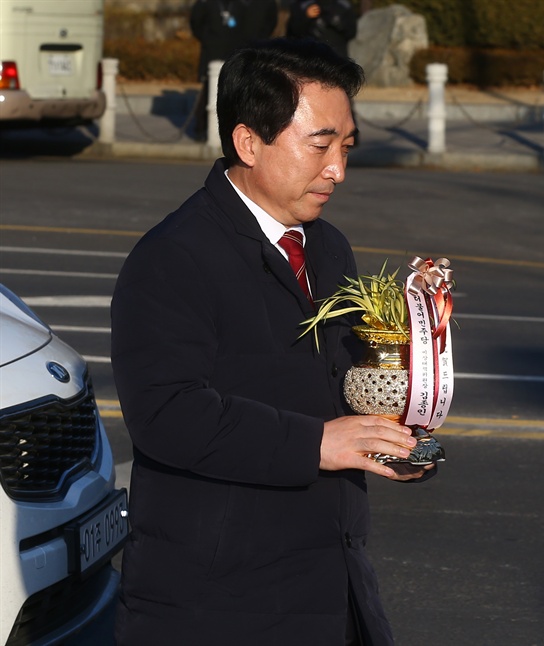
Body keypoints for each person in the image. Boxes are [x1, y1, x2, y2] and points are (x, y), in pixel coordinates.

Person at [111, 38, 434, 645]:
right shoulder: (172, 258)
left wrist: (398, 411)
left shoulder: (327, 246)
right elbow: (167, 414)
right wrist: (317, 442)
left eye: (345, 146)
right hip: (217, 607)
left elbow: (336, 379)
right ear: (248, 141)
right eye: (320, 145)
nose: (337, 168)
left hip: (331, 585)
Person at [190, 0, 278, 140]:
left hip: (234, 50)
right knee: (210, 91)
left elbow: (257, 22)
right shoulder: (205, 3)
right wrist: (208, 38)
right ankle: (202, 127)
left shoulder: (239, 4)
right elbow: (196, 23)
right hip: (212, 51)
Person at [286, 0, 358, 58]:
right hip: (309, 55)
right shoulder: (302, 4)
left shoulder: (343, 5)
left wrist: (340, 24)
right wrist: (306, 16)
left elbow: (352, 32)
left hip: (337, 56)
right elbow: (292, 33)